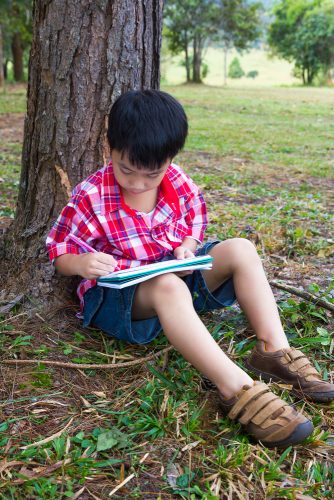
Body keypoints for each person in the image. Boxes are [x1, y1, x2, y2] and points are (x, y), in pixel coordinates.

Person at [46, 90, 334, 448]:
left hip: (178, 281)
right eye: (126, 170)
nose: (137, 183)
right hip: (122, 298)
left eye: (151, 174)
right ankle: (238, 389)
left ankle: (273, 351)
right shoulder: (91, 194)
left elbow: (195, 219)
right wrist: (82, 263)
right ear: (110, 149)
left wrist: (188, 247)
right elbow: (60, 253)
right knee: (168, 286)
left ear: (169, 159)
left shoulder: (178, 182)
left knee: (240, 249)